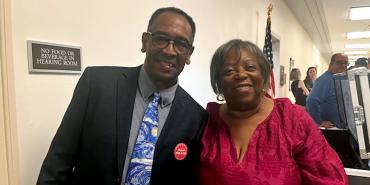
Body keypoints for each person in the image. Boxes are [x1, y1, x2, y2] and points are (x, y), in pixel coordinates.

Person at [37, 7, 208, 185]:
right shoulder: (97, 85)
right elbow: (57, 164)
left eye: (181, 44)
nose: (170, 51)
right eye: (161, 39)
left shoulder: (196, 118)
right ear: (145, 41)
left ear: (189, 54)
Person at [199, 39, 347, 185]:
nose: (240, 75)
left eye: (250, 67)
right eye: (229, 70)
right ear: (218, 80)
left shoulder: (292, 120)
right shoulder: (206, 121)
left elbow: (330, 179)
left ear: (264, 75)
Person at [306, 53, 349, 129]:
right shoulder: (325, 79)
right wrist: (319, 122)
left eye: (346, 63)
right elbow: (311, 101)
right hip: (332, 128)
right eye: (339, 63)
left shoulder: (336, 77)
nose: (343, 65)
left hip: (340, 127)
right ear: (331, 64)